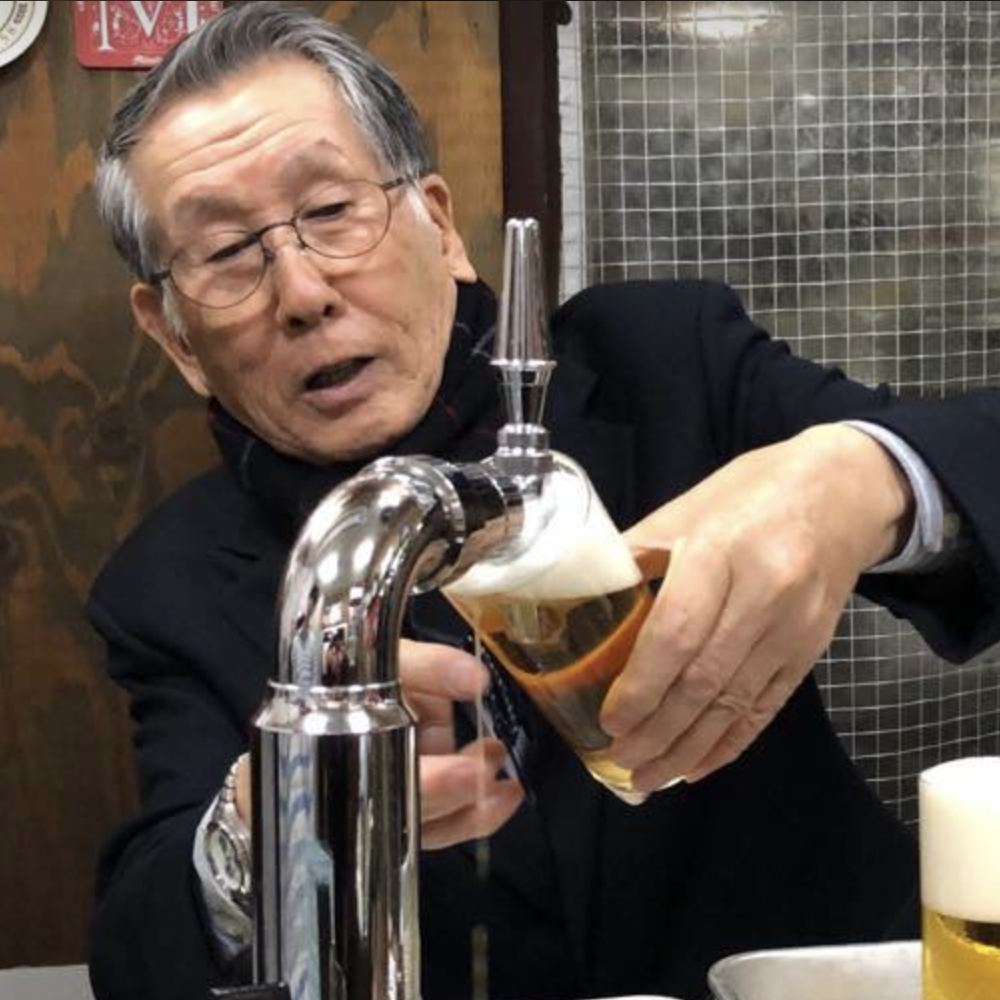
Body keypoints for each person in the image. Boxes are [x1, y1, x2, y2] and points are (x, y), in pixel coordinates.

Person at [86, 5, 1000, 1000]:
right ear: (174, 336)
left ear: (439, 225)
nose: (302, 292)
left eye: (333, 209)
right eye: (227, 252)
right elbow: (137, 958)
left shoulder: (663, 361)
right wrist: (262, 825)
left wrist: (858, 477)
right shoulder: (168, 584)